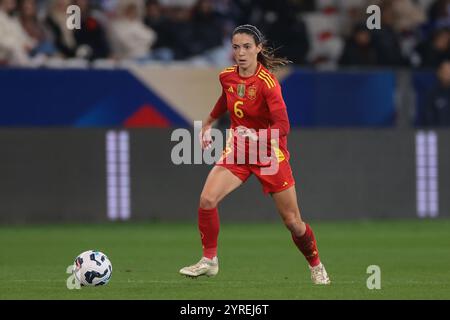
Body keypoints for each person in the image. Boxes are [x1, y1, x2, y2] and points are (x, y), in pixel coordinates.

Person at [179, 24, 331, 285]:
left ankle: (316, 266)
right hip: (238, 151)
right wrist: (207, 123)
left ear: (258, 49)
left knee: (293, 222)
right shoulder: (227, 76)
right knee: (207, 200)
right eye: (236, 47)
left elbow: (283, 127)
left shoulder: (268, 84)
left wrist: (258, 137)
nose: (241, 52)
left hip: (270, 154)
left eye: (247, 47)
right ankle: (209, 260)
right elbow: (225, 100)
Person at [424, 60, 450, 126]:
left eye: (449, 72)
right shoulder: (432, 93)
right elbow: (428, 116)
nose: (447, 75)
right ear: (439, 73)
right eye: (445, 72)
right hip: (438, 133)